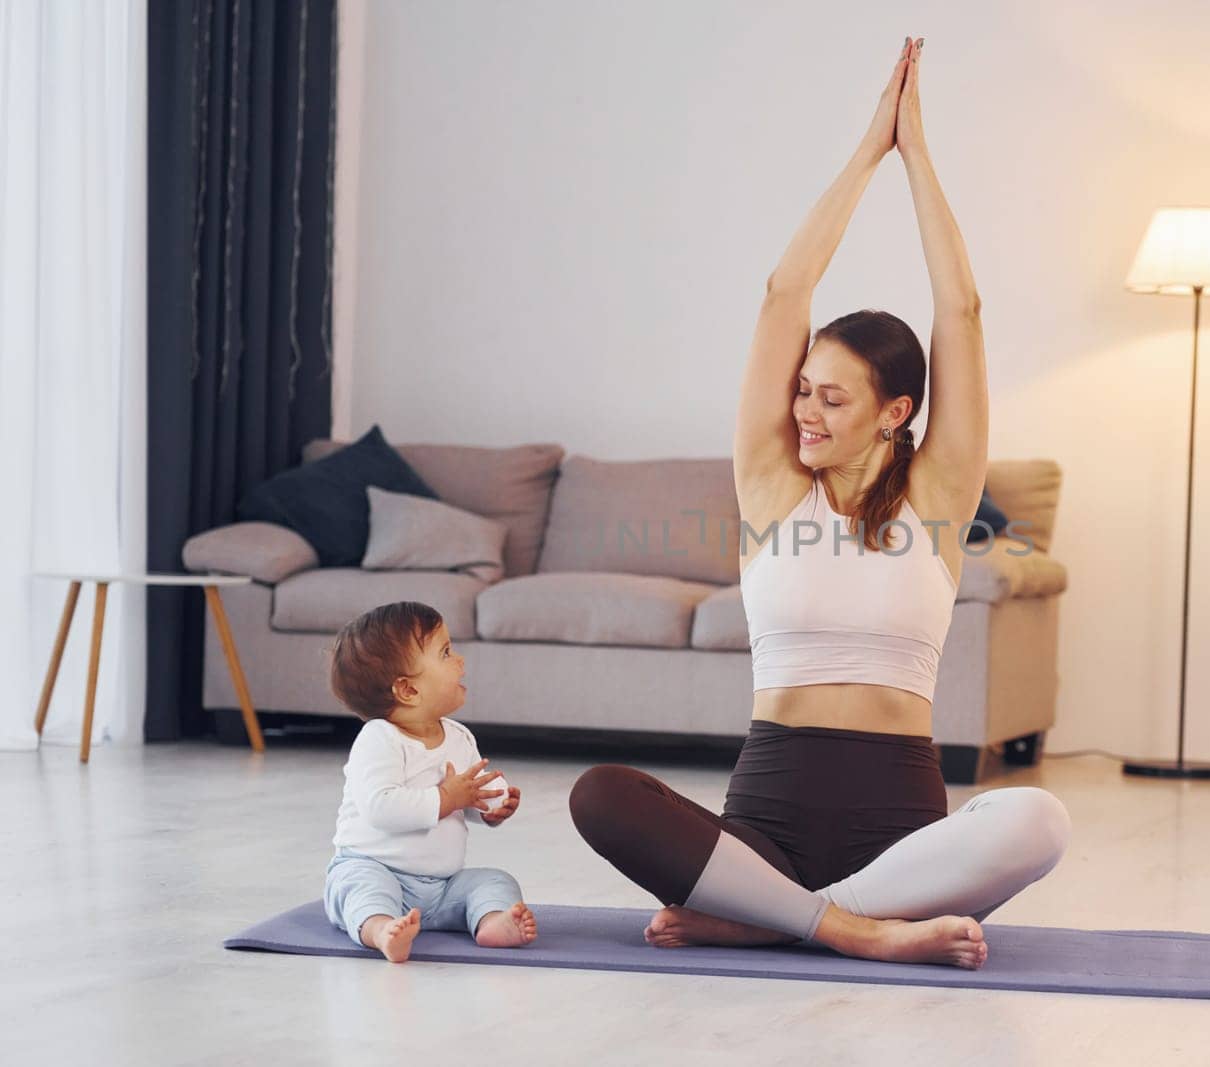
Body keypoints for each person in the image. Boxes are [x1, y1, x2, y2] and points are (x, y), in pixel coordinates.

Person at [569, 36, 1069, 970]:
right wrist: (865, 152)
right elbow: (784, 290)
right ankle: (850, 928)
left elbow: (959, 314)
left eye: (832, 399)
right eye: (803, 390)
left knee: (1039, 818)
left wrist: (918, 156)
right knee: (600, 793)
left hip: (900, 830)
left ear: (896, 413)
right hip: (768, 818)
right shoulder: (771, 488)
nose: (804, 411)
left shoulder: (937, 499)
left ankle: (780, 919)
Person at [323, 601, 539, 963]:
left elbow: (469, 793)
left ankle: (492, 922)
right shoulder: (379, 739)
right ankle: (381, 931)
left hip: (441, 887)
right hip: (375, 868)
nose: (460, 662)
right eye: (445, 653)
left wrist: (491, 806)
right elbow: (381, 808)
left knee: (494, 880)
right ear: (407, 691)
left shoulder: (458, 737)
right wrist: (446, 799)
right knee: (361, 889)